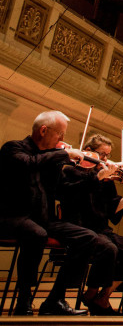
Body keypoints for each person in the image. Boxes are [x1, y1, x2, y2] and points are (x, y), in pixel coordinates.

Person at [0, 110, 97, 316]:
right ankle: (24, 300)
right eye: (60, 134)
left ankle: (55, 299)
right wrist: (63, 154)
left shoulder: (52, 159)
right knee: (37, 234)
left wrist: (95, 178)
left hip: (42, 219)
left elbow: (65, 191)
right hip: (12, 216)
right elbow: (29, 163)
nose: (62, 140)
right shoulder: (13, 148)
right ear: (43, 130)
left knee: (88, 237)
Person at [58, 134, 123, 314]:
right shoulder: (71, 172)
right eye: (102, 155)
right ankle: (91, 294)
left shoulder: (107, 179)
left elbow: (114, 208)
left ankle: (103, 296)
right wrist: (99, 176)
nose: (106, 160)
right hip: (79, 227)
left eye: (108, 156)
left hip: (102, 229)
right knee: (109, 248)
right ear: (88, 152)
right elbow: (72, 198)